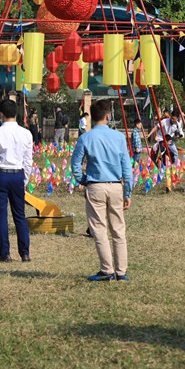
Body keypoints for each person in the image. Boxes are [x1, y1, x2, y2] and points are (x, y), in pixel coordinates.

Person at [71, 99, 133, 281]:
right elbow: (127, 169)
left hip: (95, 186)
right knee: (118, 230)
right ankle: (121, 272)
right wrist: (127, 192)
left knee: (99, 229)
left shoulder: (85, 138)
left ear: (92, 117)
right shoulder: (119, 137)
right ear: (108, 116)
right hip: (116, 186)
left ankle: (107, 270)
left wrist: (83, 180)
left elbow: (75, 165)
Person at [0, 99, 33, 263]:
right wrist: (24, 180)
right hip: (18, 174)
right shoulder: (26, 133)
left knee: (1, 217)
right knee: (20, 215)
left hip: (0, 174)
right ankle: (25, 253)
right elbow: (28, 161)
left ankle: (5, 254)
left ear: (1, 115)